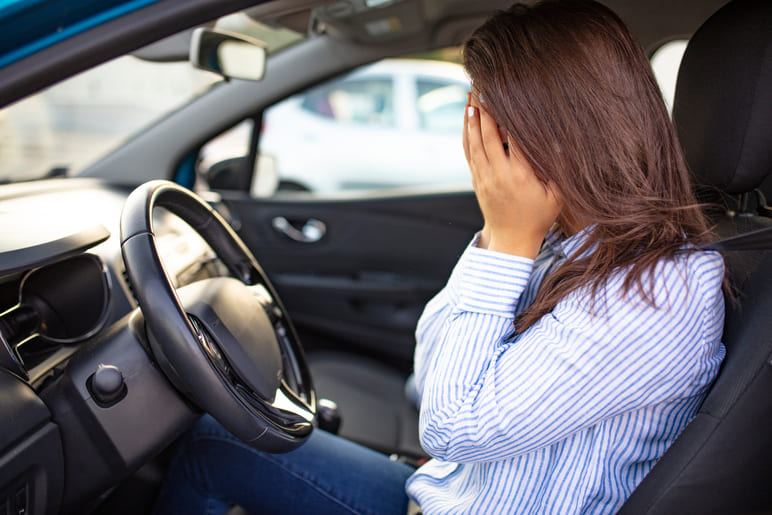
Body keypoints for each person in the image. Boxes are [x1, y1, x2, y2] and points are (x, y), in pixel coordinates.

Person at [152, 0, 726, 513]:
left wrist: (506, 240)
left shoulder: (662, 287)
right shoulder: (564, 241)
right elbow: (427, 378)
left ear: (556, 128)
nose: (477, 147)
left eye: (488, 123)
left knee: (213, 448)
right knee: (212, 443)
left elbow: (448, 426)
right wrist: (498, 236)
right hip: (448, 491)